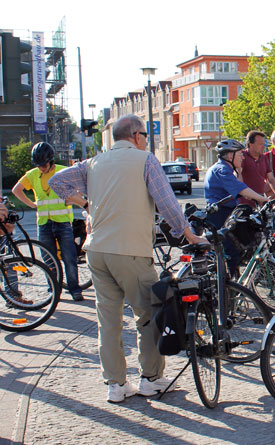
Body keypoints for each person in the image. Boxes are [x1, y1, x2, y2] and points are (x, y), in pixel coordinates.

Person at [49, 114, 207, 403]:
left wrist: (85, 204)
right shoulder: (144, 160)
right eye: (145, 135)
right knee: (147, 314)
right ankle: (150, 379)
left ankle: (116, 385)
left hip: (96, 250)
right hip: (130, 250)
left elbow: (57, 181)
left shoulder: (93, 163)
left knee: (107, 320)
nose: (146, 140)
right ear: (136, 136)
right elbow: (167, 202)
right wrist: (189, 234)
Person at [12, 142, 84, 301]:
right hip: (44, 223)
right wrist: (31, 204)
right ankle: (53, 288)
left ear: (51, 161)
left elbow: (79, 188)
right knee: (48, 258)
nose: (41, 168)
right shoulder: (32, 174)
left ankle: (75, 289)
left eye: (43, 164)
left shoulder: (62, 171)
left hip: (63, 222)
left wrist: (71, 200)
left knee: (69, 258)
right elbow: (16, 190)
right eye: (38, 165)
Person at [204, 139, 273, 274]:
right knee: (232, 250)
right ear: (230, 156)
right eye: (240, 154)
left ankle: (231, 280)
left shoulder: (225, 169)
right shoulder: (222, 170)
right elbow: (241, 189)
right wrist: (263, 198)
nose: (243, 157)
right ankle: (231, 287)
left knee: (236, 246)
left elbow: (242, 192)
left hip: (224, 212)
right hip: (220, 215)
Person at [239, 130, 275, 207]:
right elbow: (238, 175)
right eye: (260, 144)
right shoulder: (242, 157)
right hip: (244, 201)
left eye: (264, 144)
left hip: (259, 200)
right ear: (251, 144)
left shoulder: (264, 158)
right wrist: (243, 191)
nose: (263, 146)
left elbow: (271, 179)